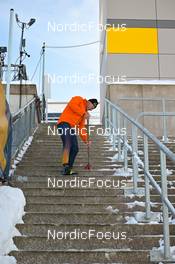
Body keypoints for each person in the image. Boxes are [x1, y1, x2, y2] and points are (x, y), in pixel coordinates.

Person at [57, 96, 99, 175]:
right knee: (68, 143)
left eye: (93, 109)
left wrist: (86, 140)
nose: (91, 109)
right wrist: (84, 113)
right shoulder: (78, 99)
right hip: (64, 123)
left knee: (75, 148)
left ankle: (69, 168)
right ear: (89, 102)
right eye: (92, 107)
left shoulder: (83, 115)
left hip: (71, 128)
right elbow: (72, 105)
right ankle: (65, 166)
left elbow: (81, 128)